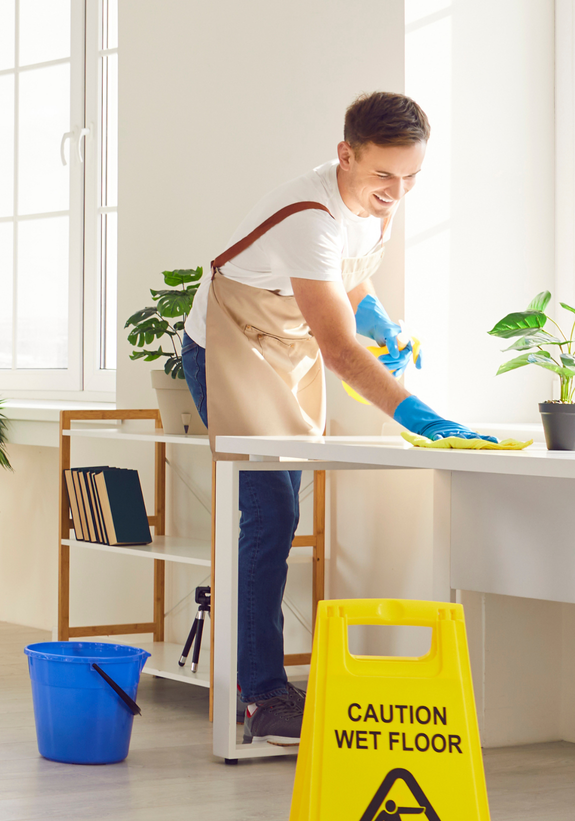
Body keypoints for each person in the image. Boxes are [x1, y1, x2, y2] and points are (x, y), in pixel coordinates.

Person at [182, 91, 493, 744]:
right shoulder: (309, 216)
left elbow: (348, 281)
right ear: (345, 154)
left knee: (283, 509)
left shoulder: (377, 205)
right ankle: (262, 695)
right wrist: (420, 415)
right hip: (231, 345)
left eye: (411, 178)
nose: (397, 193)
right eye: (384, 175)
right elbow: (339, 348)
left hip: (286, 346)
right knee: (269, 512)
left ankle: (264, 682)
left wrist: (374, 311)